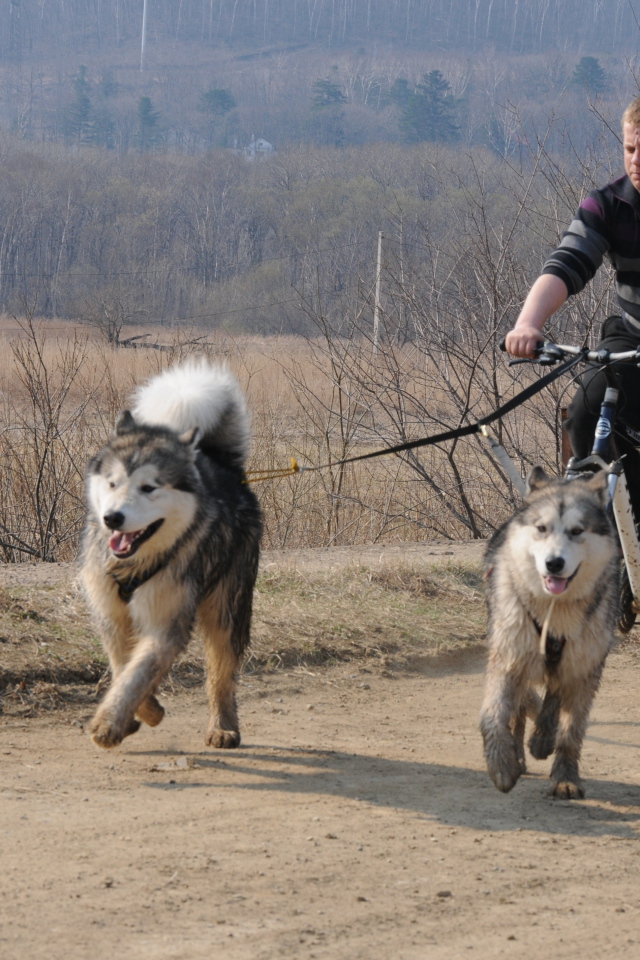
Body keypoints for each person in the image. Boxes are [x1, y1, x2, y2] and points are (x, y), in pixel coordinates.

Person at [505, 96, 640, 508]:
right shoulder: (608, 206)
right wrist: (528, 323)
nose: (636, 161)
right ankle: (610, 533)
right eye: (631, 148)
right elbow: (567, 263)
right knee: (587, 409)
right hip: (633, 341)